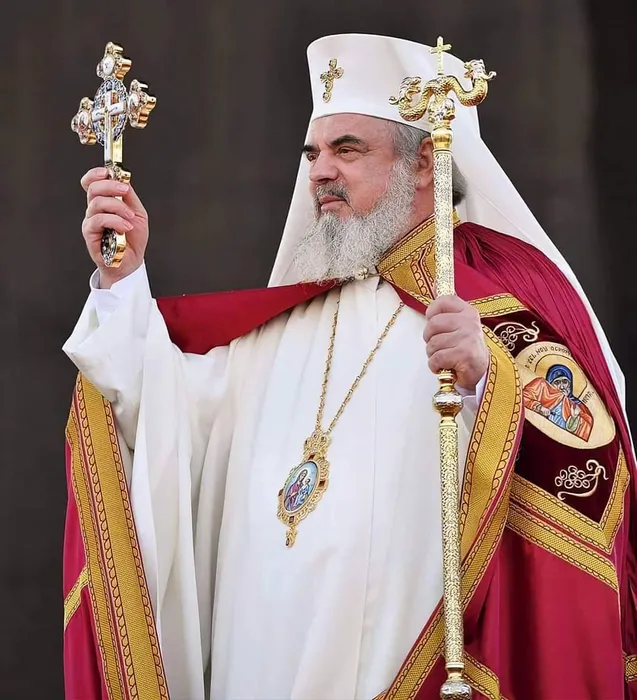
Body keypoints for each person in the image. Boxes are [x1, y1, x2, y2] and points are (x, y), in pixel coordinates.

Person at [62, 34, 637, 700]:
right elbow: (166, 414)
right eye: (313, 154)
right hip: (263, 663)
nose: (319, 173)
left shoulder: (499, 297)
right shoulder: (293, 317)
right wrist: (123, 281)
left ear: (425, 164)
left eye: (348, 150)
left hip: (412, 663)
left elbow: (593, 473)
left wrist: (488, 382)